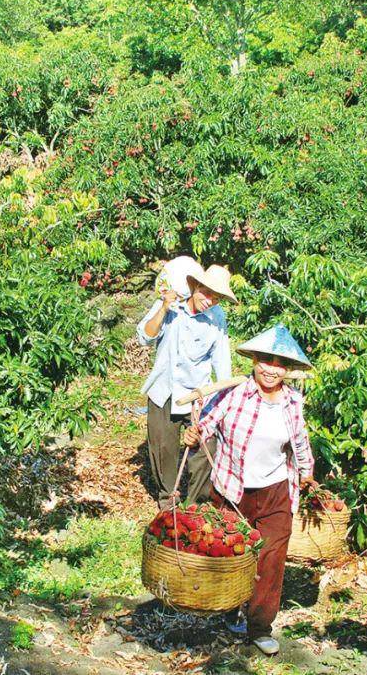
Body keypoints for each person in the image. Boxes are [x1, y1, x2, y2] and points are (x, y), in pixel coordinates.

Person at [181, 324, 317, 656]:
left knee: (271, 561)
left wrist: (307, 473)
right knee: (233, 555)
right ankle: (230, 609)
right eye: (265, 360)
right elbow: (206, 424)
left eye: (280, 364)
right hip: (232, 490)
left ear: (288, 370)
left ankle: (259, 627)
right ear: (254, 360)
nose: (271, 369)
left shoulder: (293, 402)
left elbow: (299, 443)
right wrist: (194, 435)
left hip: (274, 492)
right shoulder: (233, 394)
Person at [137, 260, 237, 508]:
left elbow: (221, 359)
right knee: (163, 449)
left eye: (216, 297)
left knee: (206, 446)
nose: (209, 299)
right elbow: (144, 337)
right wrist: (163, 308)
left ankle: (196, 505)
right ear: (195, 287)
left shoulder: (217, 317)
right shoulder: (171, 305)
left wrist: (224, 397)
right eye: (206, 292)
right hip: (165, 389)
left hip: (198, 393)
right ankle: (167, 500)